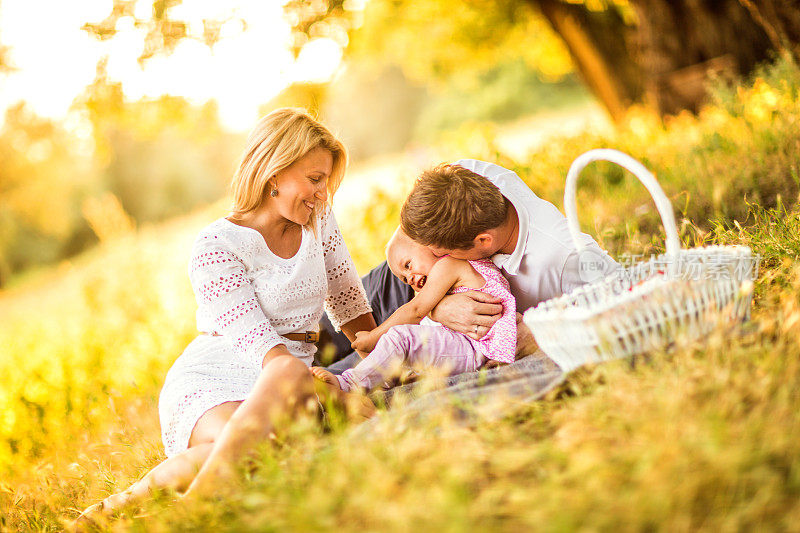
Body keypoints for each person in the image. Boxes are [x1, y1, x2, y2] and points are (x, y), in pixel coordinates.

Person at [78, 108, 377, 522]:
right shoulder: (216, 246)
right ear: (275, 172)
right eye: (314, 180)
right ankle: (190, 517)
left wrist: (382, 364)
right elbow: (267, 354)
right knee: (256, 445)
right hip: (218, 377)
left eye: (326, 181)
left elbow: (348, 303)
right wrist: (321, 386)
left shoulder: (317, 220)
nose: (323, 193)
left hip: (288, 377)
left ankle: (116, 511)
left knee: (240, 455)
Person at [319, 159, 617, 372]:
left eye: (441, 251)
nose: (435, 252)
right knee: (316, 330)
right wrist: (440, 305)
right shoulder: (473, 176)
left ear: (483, 243)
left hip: (430, 319)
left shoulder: (565, 258)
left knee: (346, 368)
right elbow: (410, 239)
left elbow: (627, 296)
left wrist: (538, 333)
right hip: (408, 281)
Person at [312, 228, 517, 392]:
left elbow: (415, 310)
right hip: (471, 347)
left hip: (474, 350)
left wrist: (374, 336)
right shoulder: (463, 263)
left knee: (400, 338)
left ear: (432, 244)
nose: (409, 278)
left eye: (408, 265)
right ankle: (393, 375)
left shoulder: (450, 265)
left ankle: (350, 383)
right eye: (404, 278)